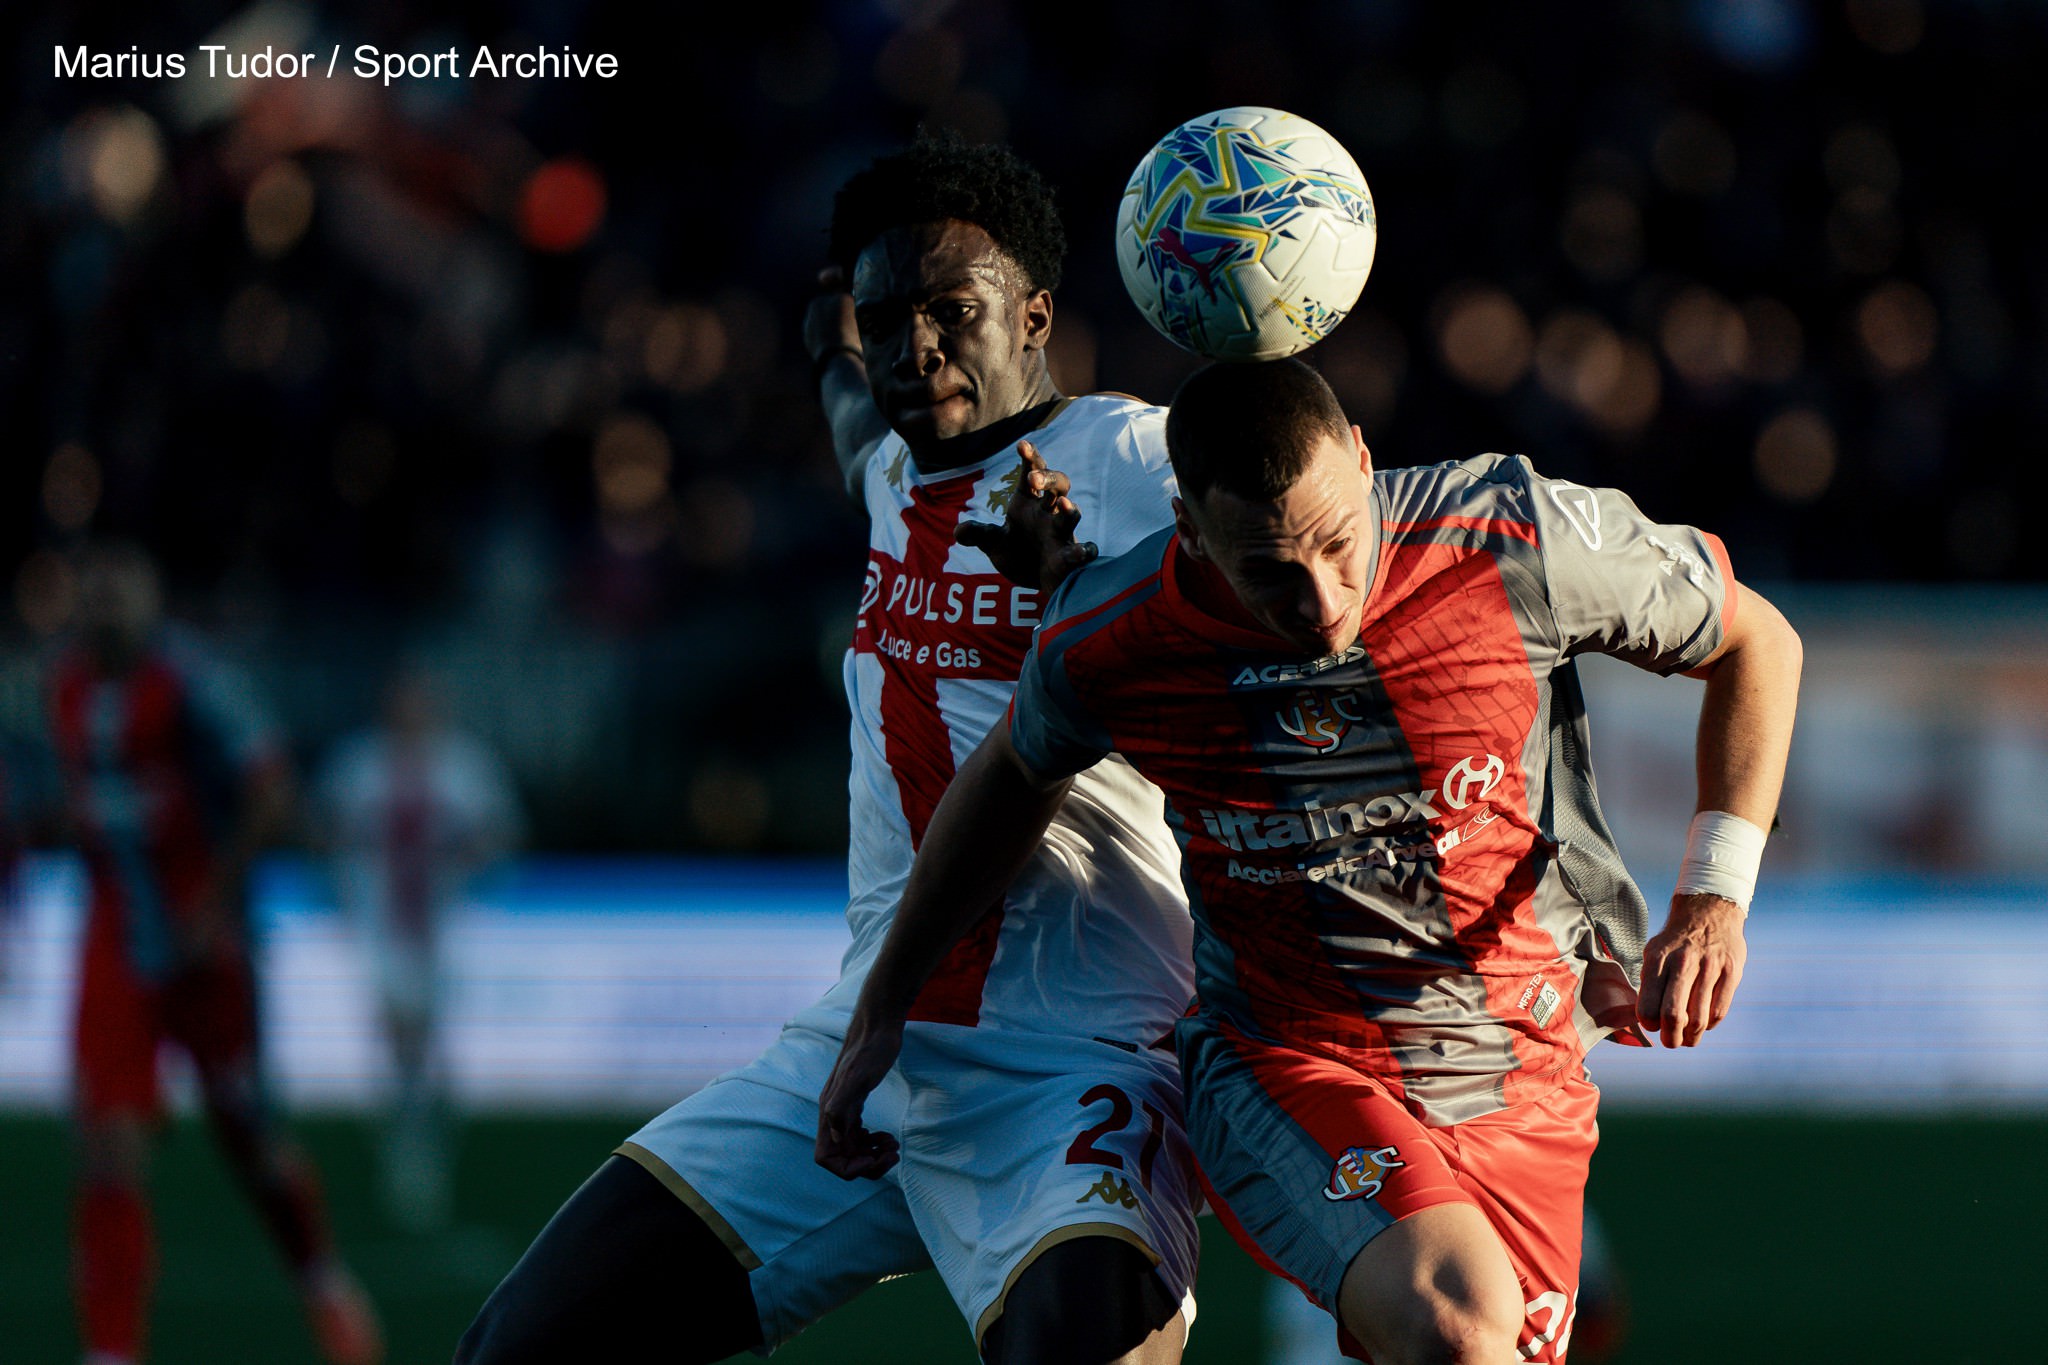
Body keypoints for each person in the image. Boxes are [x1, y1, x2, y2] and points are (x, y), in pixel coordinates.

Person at [818, 359, 1802, 1364]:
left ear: (1364, 465)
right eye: (1270, 572)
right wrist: (882, 1005)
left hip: (1521, 1070)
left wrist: (1714, 897)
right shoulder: (1112, 638)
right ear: (1189, 532)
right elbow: (1006, 781)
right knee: (1458, 1327)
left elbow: (1754, 639)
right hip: (1285, 1059)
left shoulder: (1510, 537)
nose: (1321, 599)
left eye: (1337, 543)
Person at [459, 134, 1203, 1365]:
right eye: (884, 318)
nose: (914, 346)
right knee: (517, 1352)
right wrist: (824, 341)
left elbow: (1325, 540)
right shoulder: (892, 473)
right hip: (867, 1051)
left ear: (1034, 314)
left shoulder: (1129, 460)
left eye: (950, 311)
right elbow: (857, 409)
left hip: (1080, 1063)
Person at [48, 543, 383, 1365]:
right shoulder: (62, 688)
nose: (104, 606)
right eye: (91, 591)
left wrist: (216, 896)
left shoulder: (197, 684)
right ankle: (112, 1352)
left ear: (152, 598)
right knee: (107, 1142)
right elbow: (76, 808)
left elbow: (273, 790)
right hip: (115, 941)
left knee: (251, 1136)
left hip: (209, 946)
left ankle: (321, 1278)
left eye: (119, 589)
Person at [315, 667, 523, 1232]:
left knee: (422, 1032)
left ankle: (417, 1137)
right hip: (379, 921)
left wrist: (467, 857)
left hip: (444, 923)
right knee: (397, 1031)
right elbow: (327, 828)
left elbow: (499, 833)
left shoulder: (464, 765)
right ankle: (411, 1137)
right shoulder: (360, 764)